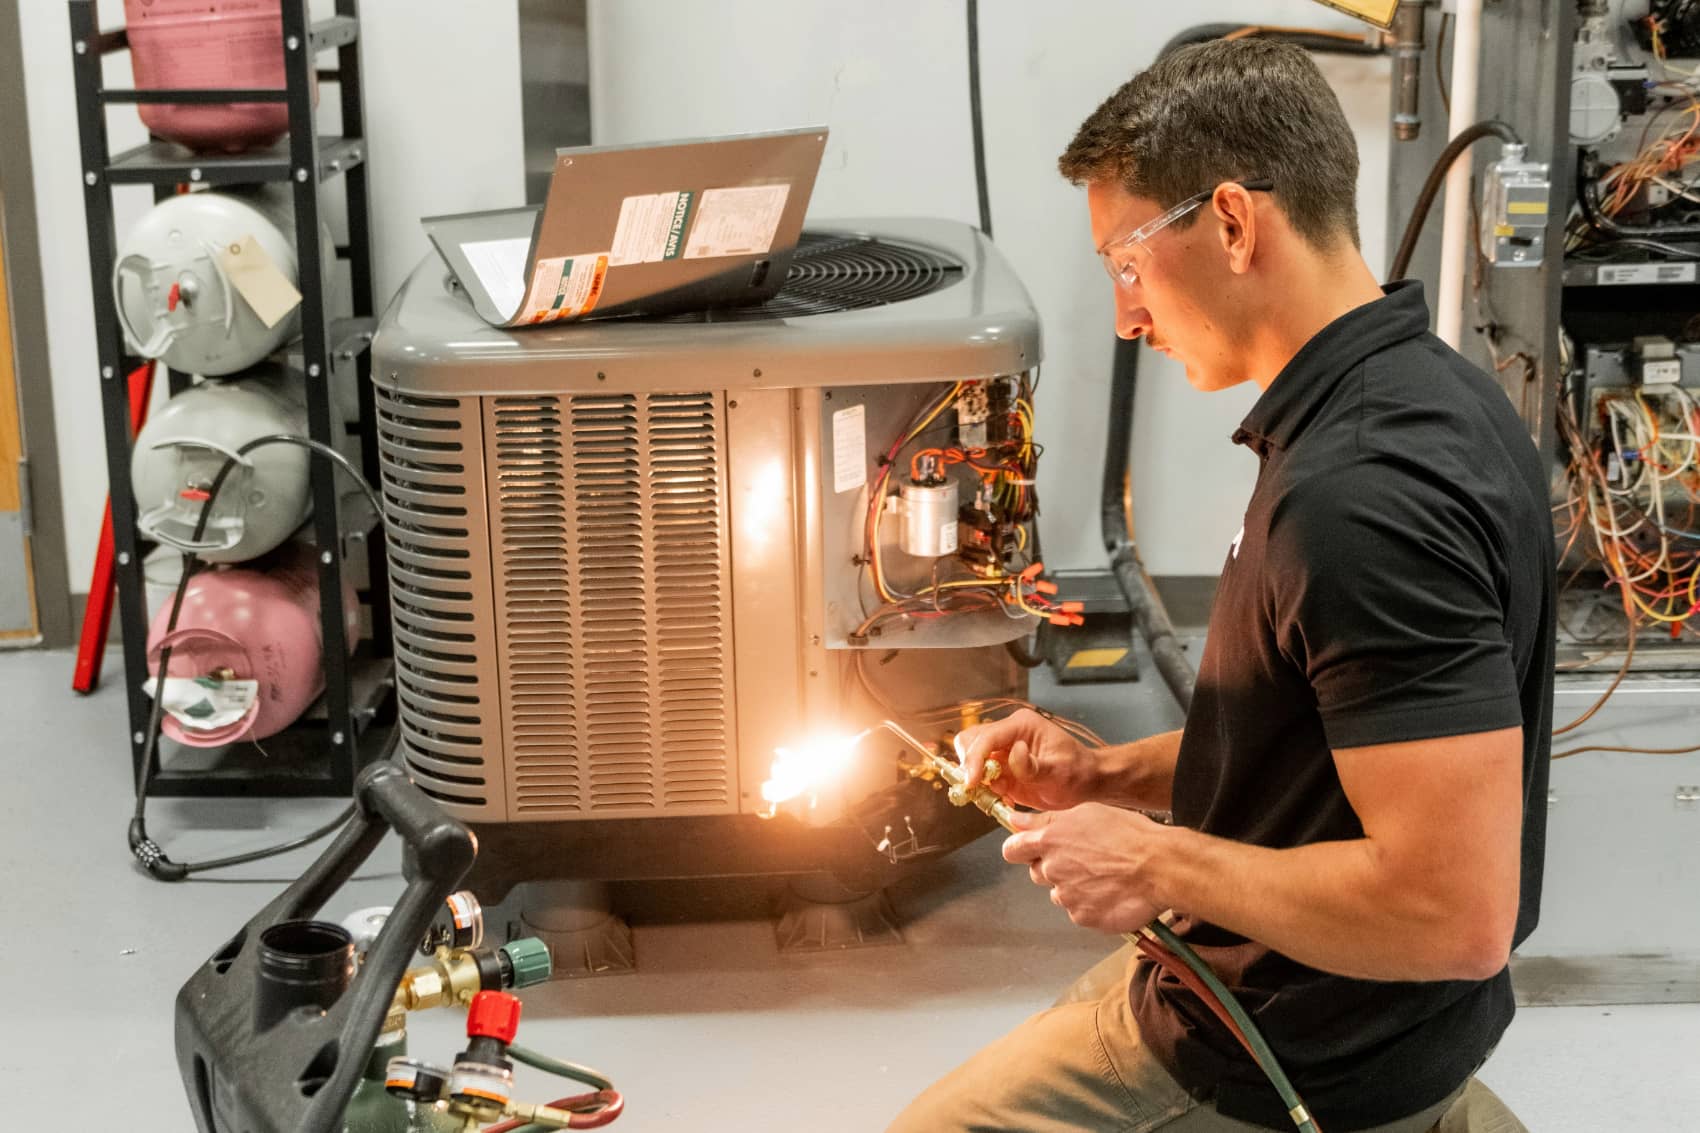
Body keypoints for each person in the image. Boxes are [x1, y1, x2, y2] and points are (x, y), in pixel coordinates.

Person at [887, 37, 1552, 1133]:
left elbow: (1452, 911)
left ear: (1232, 221)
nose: (1125, 314)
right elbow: (1319, 750)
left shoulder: (1356, 497)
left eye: (1125, 263)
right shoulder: (1426, 397)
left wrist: (1157, 860)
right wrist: (1106, 775)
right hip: (1363, 1017)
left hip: (1293, 1050)